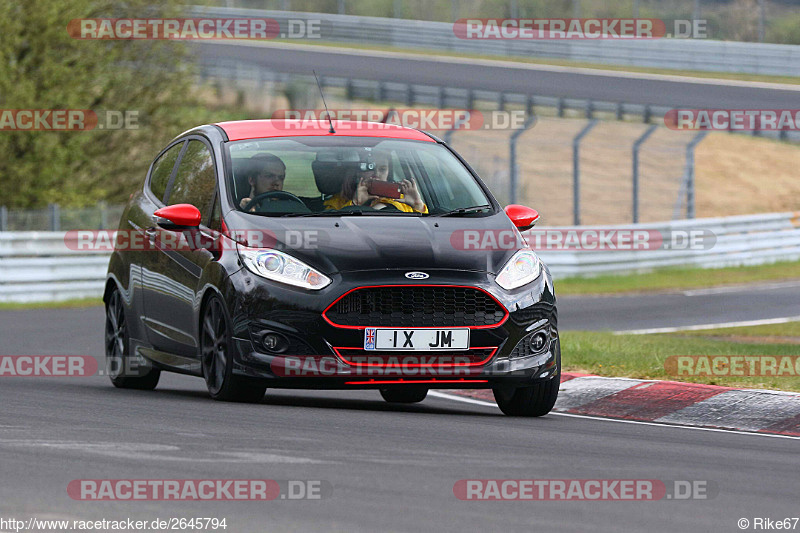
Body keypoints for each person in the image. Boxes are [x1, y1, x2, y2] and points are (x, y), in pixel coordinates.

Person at [324, 151, 427, 213]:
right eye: (370, 167)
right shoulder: (337, 201)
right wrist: (355, 203)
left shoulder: (402, 199)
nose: (377, 173)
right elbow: (331, 229)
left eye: (382, 169)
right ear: (358, 172)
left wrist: (418, 205)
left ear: (388, 173)